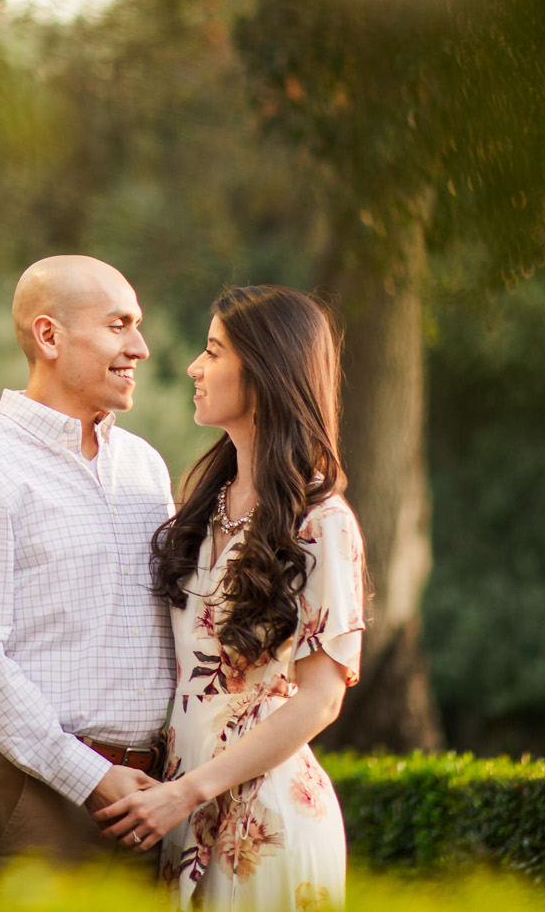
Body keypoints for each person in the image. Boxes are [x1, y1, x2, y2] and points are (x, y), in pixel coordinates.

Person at [97, 285, 367, 910]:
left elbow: (322, 699)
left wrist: (189, 791)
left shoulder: (321, 522)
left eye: (213, 351)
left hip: (264, 820)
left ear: (267, 371)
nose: (194, 366)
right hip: (177, 811)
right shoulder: (201, 505)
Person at [0, 254, 178, 874]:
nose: (139, 346)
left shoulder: (145, 465)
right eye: (119, 325)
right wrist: (92, 777)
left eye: (137, 326)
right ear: (49, 336)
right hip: (39, 799)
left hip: (154, 800)